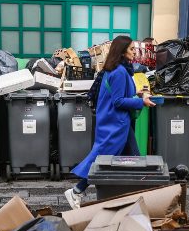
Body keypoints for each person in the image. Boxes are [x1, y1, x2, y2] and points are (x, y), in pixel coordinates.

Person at [64, 35, 155, 209]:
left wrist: (139, 96)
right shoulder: (120, 72)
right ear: (121, 52)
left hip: (116, 122)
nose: (134, 52)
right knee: (102, 160)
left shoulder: (114, 69)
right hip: (116, 124)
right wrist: (141, 101)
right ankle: (76, 191)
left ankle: (134, 198)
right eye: (131, 49)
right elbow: (118, 101)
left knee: (131, 159)